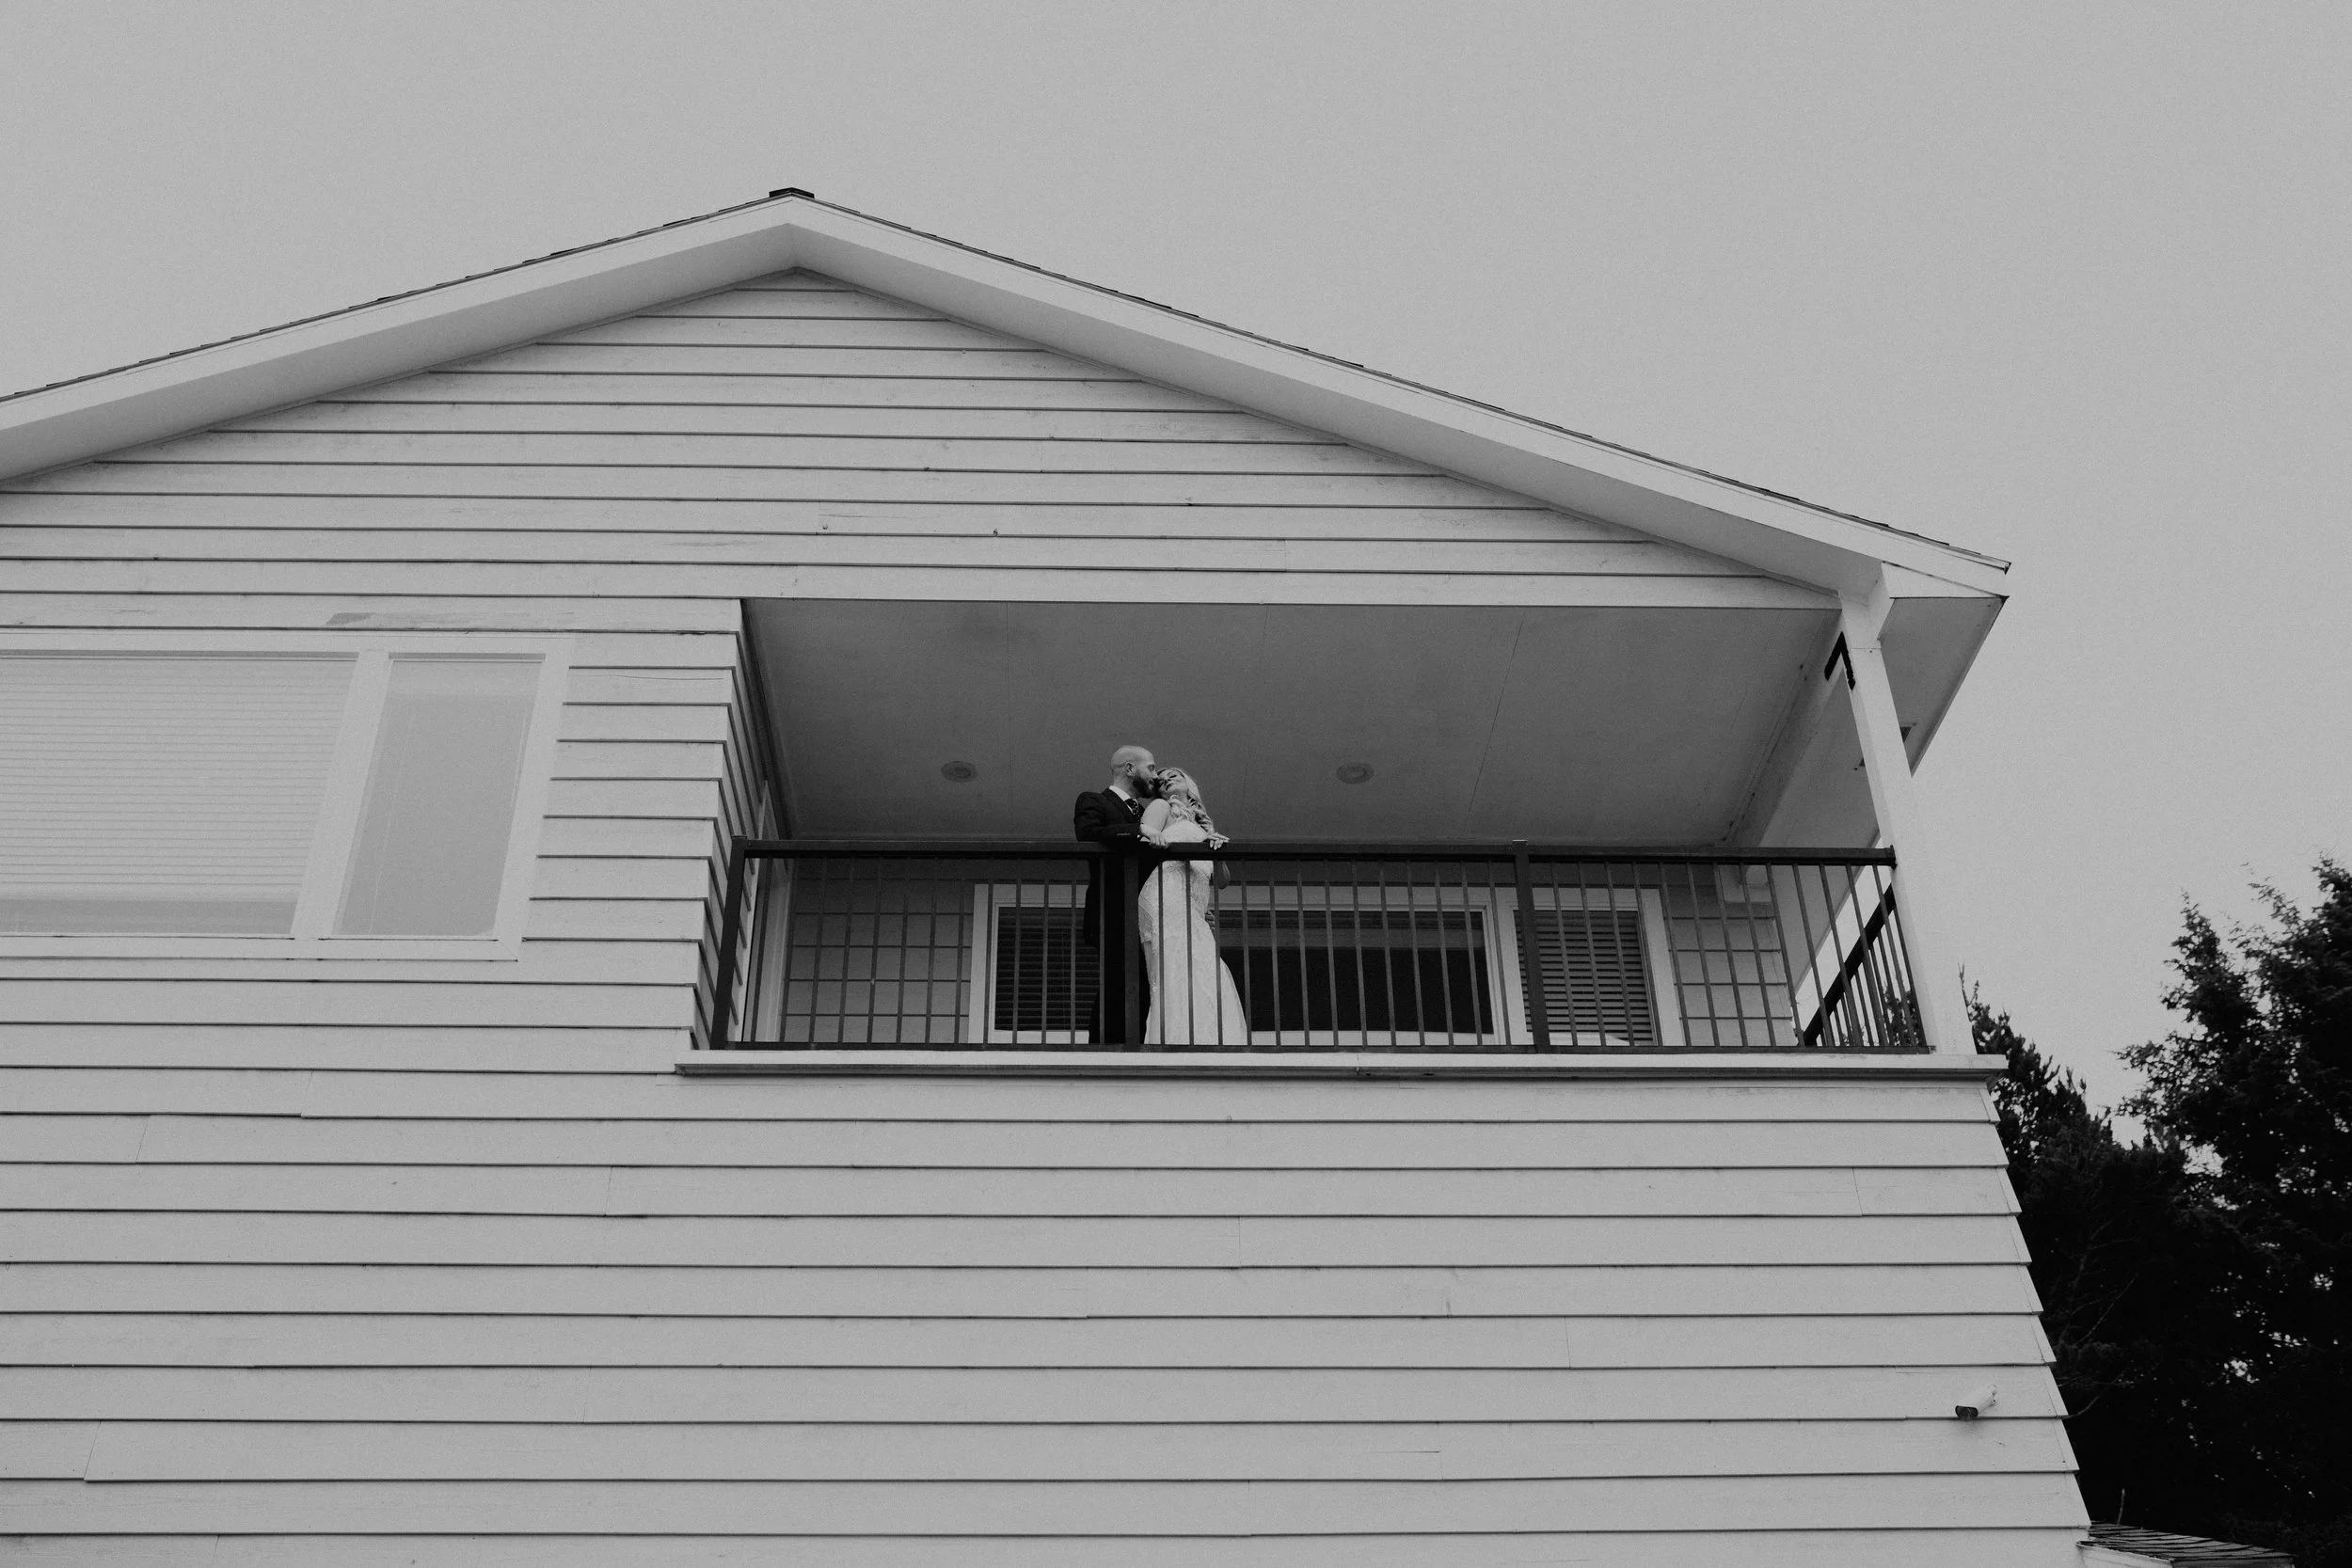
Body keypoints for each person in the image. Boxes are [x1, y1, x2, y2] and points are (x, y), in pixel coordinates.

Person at [1136, 767, 1250, 1047]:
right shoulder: (1162, 806)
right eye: (1161, 779)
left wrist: (1217, 851)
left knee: (1203, 968)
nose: (1166, 780)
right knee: (1177, 967)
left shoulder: (1203, 827)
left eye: (1174, 775)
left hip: (1193, 907)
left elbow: (1222, 881)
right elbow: (1143, 836)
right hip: (1167, 896)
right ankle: (1176, 1040)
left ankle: (1204, 1038)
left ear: (1189, 784)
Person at [1072, 744, 1156, 1045]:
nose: (1155, 776)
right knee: (1117, 982)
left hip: (1145, 915)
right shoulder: (1094, 801)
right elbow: (1089, 833)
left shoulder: (1149, 814)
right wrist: (1139, 832)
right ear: (1130, 768)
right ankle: (1104, 1053)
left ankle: (1138, 1048)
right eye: (1151, 768)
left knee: (1145, 985)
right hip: (1110, 911)